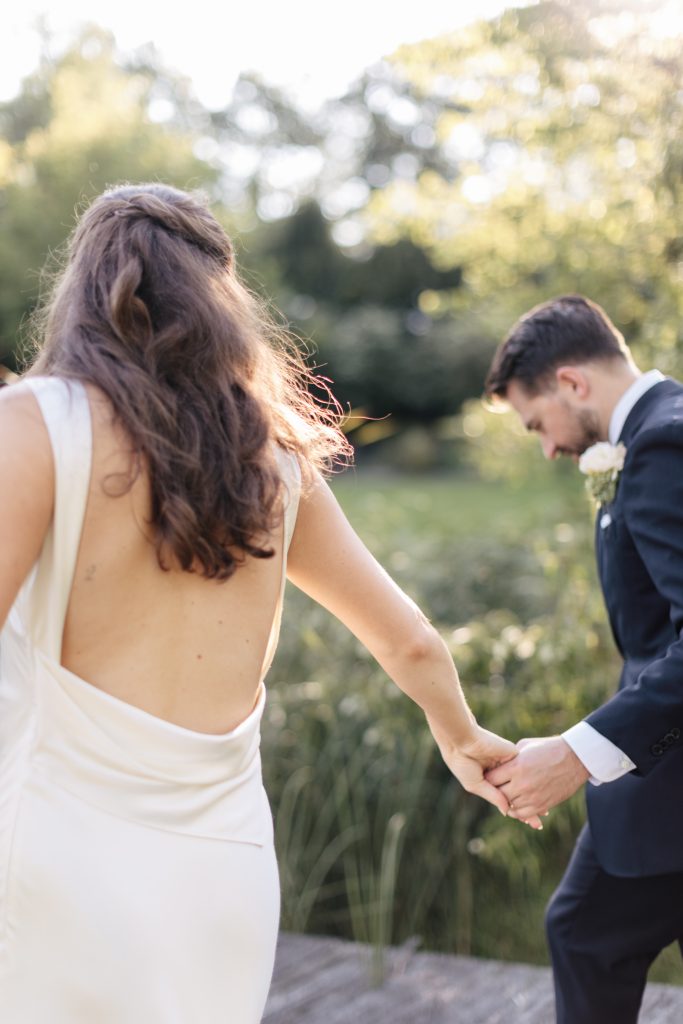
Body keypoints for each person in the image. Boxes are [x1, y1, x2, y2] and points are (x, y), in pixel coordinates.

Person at [0, 183, 519, 1023]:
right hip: (222, 876)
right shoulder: (277, 465)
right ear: (220, 300)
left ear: (85, 293)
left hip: (56, 860)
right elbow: (412, 642)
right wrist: (462, 741)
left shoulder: (32, 425)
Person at [483, 294, 683, 1023]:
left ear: (570, 383)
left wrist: (577, 752)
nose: (546, 448)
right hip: (655, 785)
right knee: (582, 931)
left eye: (536, 424)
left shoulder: (661, 443)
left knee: (583, 933)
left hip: (663, 786)